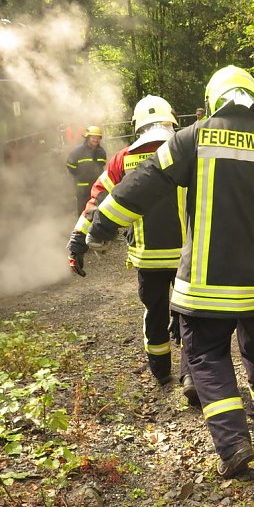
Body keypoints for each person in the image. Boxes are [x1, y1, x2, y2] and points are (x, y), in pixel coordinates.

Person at [86, 66, 254, 477]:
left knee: (207, 357)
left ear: (213, 100)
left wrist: (100, 226)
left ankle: (232, 443)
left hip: (203, 287)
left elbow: (145, 183)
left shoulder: (191, 138)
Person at [66, 96, 198, 406]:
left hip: (147, 257)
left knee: (154, 312)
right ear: (171, 122)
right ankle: (191, 374)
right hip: (187, 256)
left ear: (137, 126)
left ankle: (160, 370)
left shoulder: (122, 159)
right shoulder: (188, 150)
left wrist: (77, 239)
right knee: (190, 316)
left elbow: (97, 200)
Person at [66, 125, 107, 216]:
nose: (95, 140)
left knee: (98, 211)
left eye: (98, 138)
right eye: (93, 137)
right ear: (88, 138)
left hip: (97, 188)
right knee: (83, 212)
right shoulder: (78, 151)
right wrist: (80, 175)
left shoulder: (101, 152)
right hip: (82, 189)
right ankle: (82, 230)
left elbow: (102, 166)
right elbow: (70, 165)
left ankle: (95, 230)